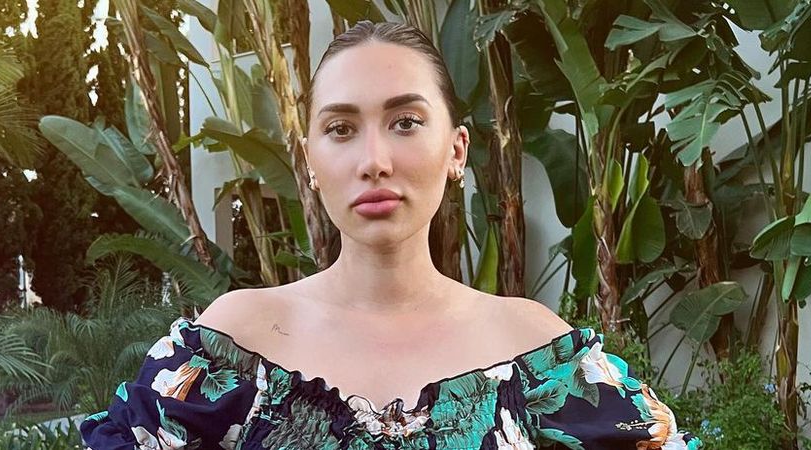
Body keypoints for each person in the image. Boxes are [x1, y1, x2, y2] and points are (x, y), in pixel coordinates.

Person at [79, 20, 702, 450]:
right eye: (341, 129)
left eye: (405, 122)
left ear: (456, 150)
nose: (374, 160)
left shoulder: (541, 357)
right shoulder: (230, 348)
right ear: (310, 161)